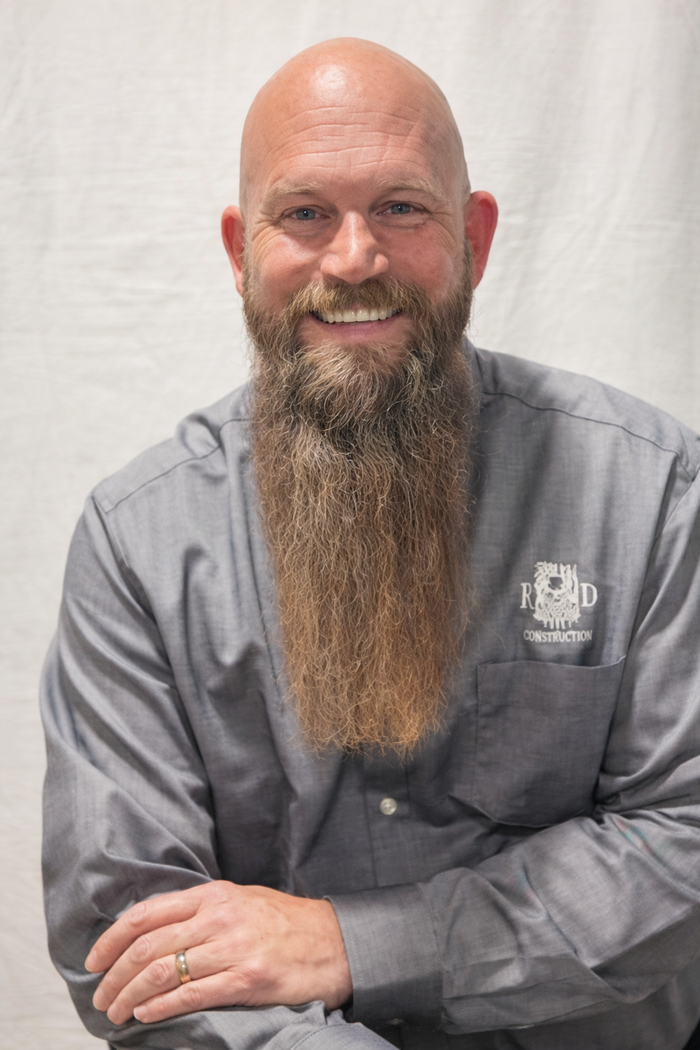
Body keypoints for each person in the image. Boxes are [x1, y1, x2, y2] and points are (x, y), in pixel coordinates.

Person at [40, 37, 700, 1050]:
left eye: (401, 207)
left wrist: (357, 944)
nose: (353, 258)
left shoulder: (650, 487)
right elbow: (133, 945)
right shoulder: (139, 545)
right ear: (239, 250)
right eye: (305, 214)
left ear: (474, 236)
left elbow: (685, 847)